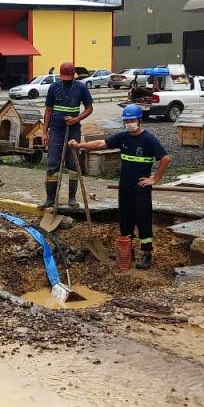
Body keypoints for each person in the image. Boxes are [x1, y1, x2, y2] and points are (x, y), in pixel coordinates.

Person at [69, 104, 171, 269]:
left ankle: (146, 254)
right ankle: (126, 251)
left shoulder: (148, 139)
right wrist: (79, 145)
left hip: (141, 189)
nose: (129, 122)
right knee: (125, 220)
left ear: (139, 120)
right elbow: (101, 144)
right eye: (126, 120)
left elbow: (165, 158)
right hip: (125, 187)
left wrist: (154, 179)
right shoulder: (123, 137)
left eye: (131, 120)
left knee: (143, 220)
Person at [39, 62, 94, 209]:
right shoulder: (54, 87)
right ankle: (50, 198)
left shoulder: (81, 87)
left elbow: (89, 108)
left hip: (73, 129)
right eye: (64, 78)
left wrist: (76, 119)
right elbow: (48, 110)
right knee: (52, 164)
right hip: (56, 130)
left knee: (73, 164)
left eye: (68, 78)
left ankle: (72, 198)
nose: (66, 80)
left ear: (73, 75)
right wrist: (45, 132)